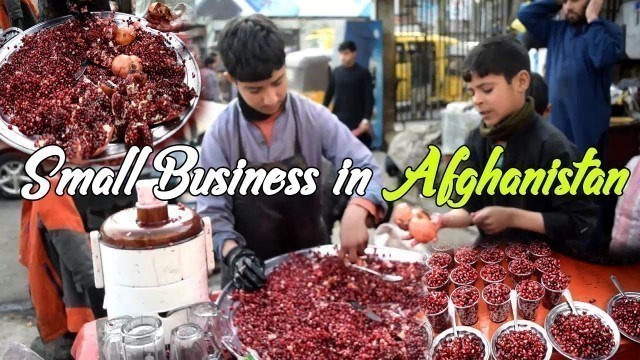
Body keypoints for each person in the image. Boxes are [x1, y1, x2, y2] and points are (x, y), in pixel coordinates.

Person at [196, 15, 387, 291]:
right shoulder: (221, 135)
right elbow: (212, 213)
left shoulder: (312, 117)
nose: (271, 98)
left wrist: (358, 208)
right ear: (232, 80)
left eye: (278, 81)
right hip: (251, 278)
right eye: (255, 90)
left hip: (313, 268)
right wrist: (233, 254)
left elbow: (363, 164)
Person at [420, 36, 598, 258]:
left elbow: (582, 223)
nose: (477, 100)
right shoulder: (477, 139)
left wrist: (513, 217)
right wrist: (442, 220)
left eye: (486, 89)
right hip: (491, 258)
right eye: (472, 92)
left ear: (521, 82)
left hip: (544, 264)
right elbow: (470, 207)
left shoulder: (554, 148)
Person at [517, 0, 623, 159]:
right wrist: (556, 2)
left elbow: (601, 56)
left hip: (588, 133)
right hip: (556, 127)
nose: (568, 7)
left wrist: (592, 17)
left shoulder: (607, 31)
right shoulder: (556, 31)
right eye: (565, 2)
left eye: (573, 1)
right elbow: (525, 15)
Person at [20, 175, 107, 359]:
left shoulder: (43, 186)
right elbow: (83, 265)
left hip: (52, 307)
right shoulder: (54, 191)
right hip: (66, 317)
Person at [323, 40, 374, 149]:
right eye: (341, 54)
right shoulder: (336, 72)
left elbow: (369, 98)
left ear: (354, 54)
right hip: (339, 120)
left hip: (357, 122)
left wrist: (366, 119)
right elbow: (329, 94)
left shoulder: (363, 73)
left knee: (359, 154)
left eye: (346, 53)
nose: (343, 57)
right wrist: (323, 112)